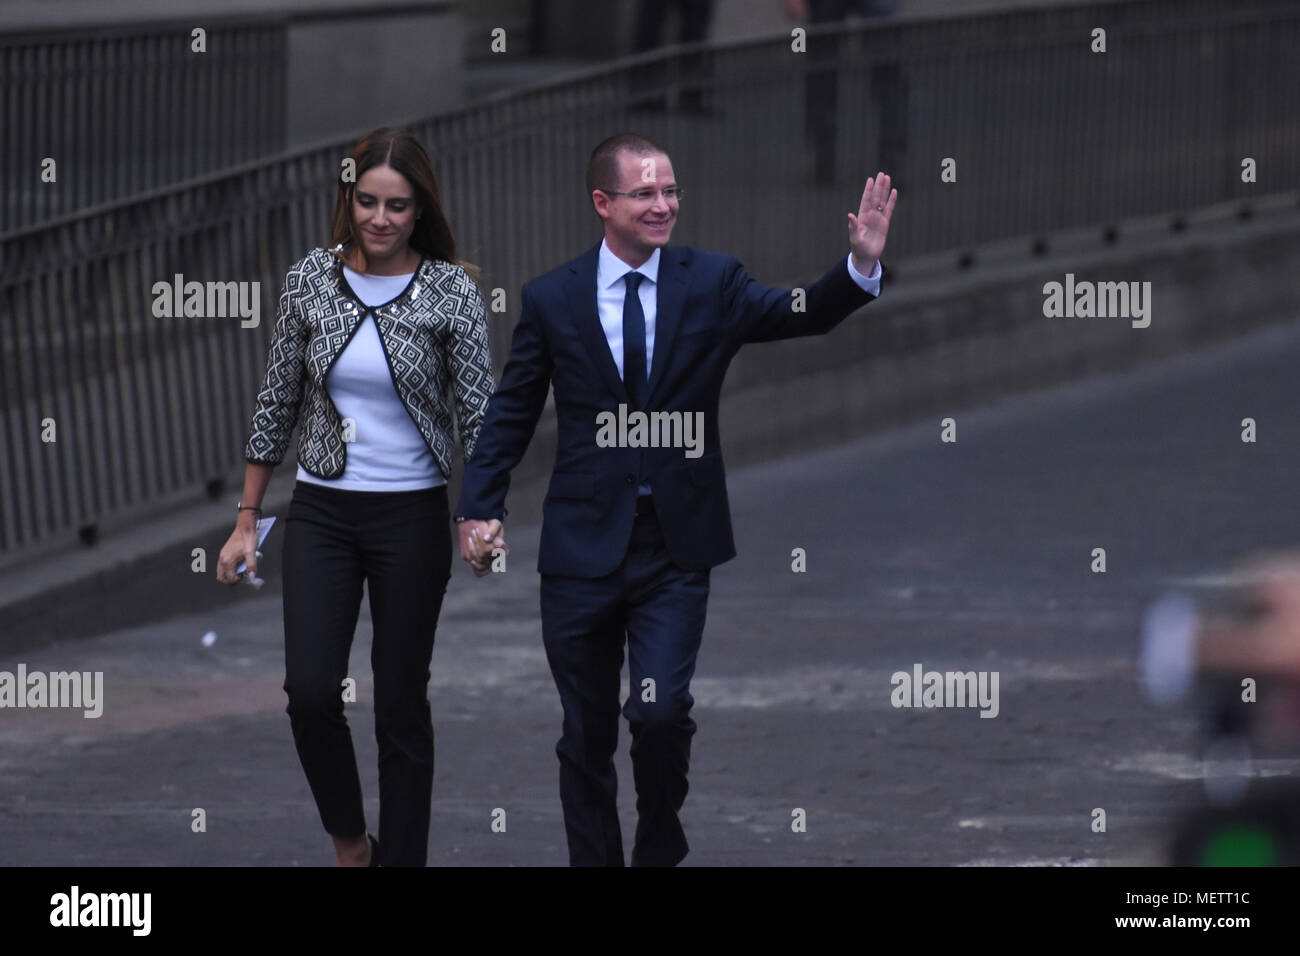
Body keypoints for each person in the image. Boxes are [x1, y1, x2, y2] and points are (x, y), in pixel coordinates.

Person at [456, 132, 896, 865]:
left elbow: (800, 313)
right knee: (587, 732)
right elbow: (512, 410)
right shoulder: (553, 297)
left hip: (674, 546)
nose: (664, 206)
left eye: (670, 192)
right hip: (580, 551)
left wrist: (861, 265)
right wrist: (480, 506)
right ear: (604, 203)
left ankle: (660, 837)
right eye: (645, 194)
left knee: (658, 715)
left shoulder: (711, 283)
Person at [215, 128, 495, 867]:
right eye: (366, 201)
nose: (379, 218)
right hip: (322, 512)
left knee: (401, 704)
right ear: (349, 200)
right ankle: (353, 845)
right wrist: (246, 520)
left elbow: (479, 417)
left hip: (411, 514)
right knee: (310, 692)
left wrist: (480, 516)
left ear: (419, 209)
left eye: (397, 206)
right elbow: (276, 401)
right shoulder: (311, 278)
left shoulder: (451, 291)